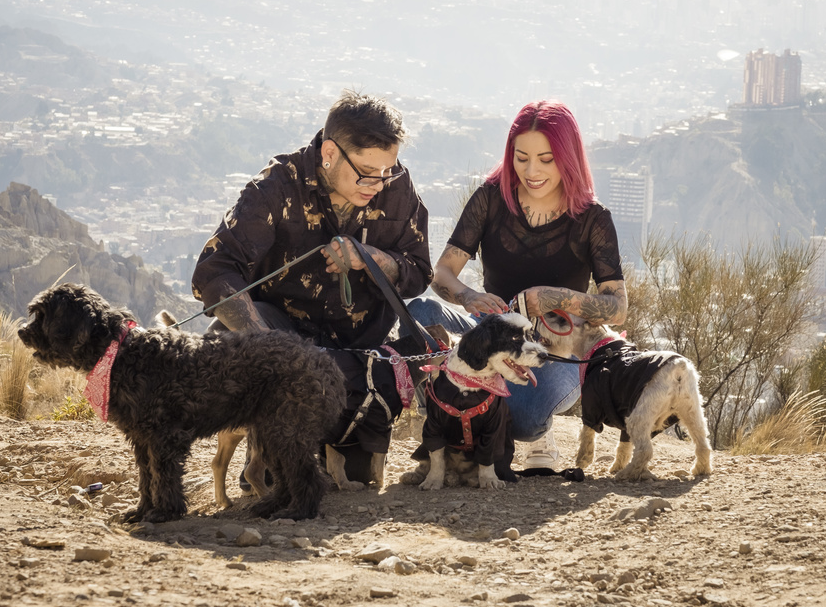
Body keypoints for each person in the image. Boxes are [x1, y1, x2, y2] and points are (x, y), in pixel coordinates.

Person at [191, 90, 433, 484]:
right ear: (330, 153)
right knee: (277, 483)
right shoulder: (275, 187)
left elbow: (419, 271)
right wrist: (273, 351)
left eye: (388, 170)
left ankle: (328, 438)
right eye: (367, 172)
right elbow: (214, 272)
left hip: (356, 354)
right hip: (283, 342)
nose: (379, 183)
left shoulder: (395, 186)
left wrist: (368, 256)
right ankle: (268, 435)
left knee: (355, 483)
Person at [408, 99, 627, 470]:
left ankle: (535, 432)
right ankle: (447, 415)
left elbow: (617, 308)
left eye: (546, 159)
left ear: (568, 156)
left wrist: (552, 297)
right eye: (521, 157)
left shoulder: (593, 219)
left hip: (558, 351)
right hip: (493, 334)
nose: (531, 170)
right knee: (418, 313)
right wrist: (468, 295)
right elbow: (442, 273)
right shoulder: (490, 199)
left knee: (522, 420)